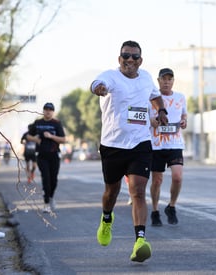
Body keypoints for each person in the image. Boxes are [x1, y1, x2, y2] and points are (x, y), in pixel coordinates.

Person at [90, 40, 168, 263]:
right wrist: (99, 88)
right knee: (111, 192)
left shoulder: (145, 77)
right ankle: (106, 219)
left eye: (134, 57)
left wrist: (161, 109)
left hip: (140, 144)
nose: (129, 60)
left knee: (137, 191)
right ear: (119, 58)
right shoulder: (110, 76)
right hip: (112, 145)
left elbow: (154, 94)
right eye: (125, 56)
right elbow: (96, 83)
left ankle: (140, 241)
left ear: (140, 61)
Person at [149, 68, 187, 226]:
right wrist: (153, 122)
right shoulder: (152, 98)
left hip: (175, 143)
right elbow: (147, 118)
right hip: (157, 145)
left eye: (169, 79)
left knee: (177, 177)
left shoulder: (180, 97)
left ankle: (171, 206)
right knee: (157, 180)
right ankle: (155, 210)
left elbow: (184, 115)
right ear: (158, 81)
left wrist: (184, 121)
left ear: (173, 81)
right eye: (163, 79)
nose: (166, 82)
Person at [27, 102, 66, 213]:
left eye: (50, 109)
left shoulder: (57, 123)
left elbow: (63, 139)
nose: (48, 111)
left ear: (53, 112)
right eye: (46, 109)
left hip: (54, 155)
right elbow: (28, 136)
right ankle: (46, 204)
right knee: (46, 179)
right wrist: (35, 139)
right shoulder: (38, 123)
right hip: (41, 155)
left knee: (54, 180)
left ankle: (51, 197)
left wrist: (51, 136)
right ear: (43, 110)